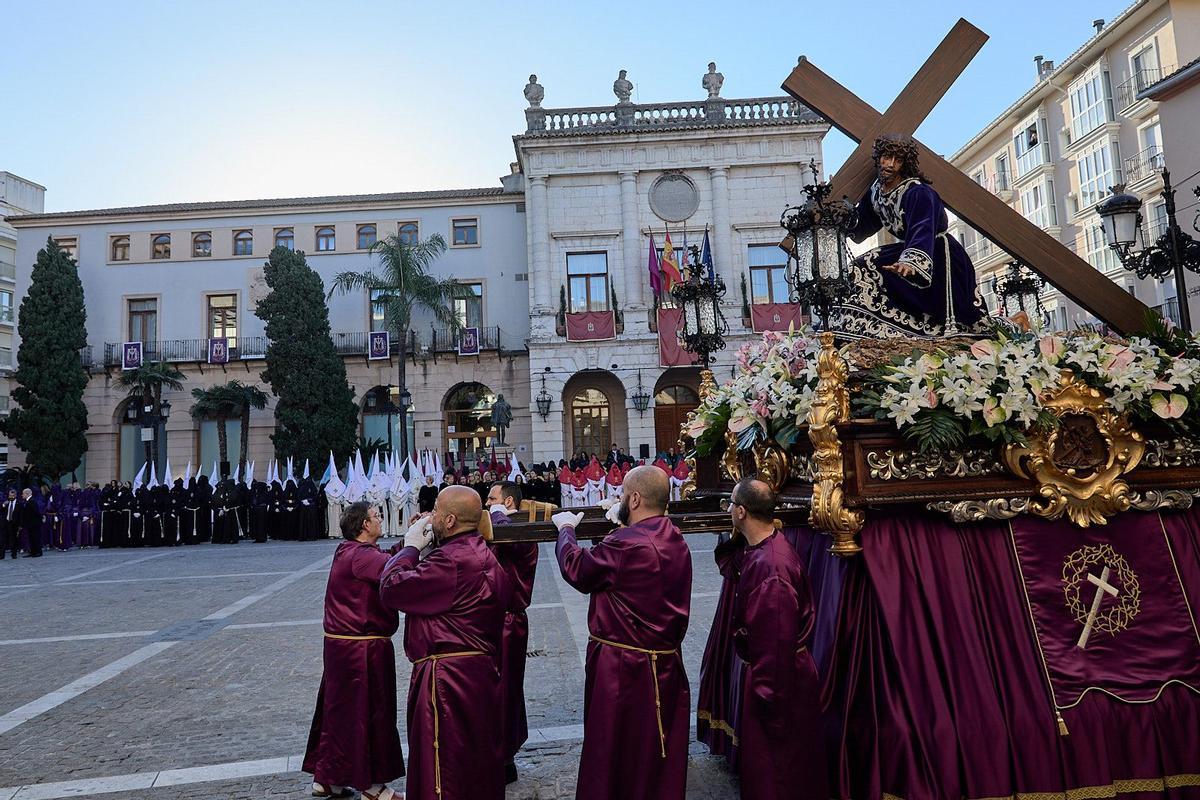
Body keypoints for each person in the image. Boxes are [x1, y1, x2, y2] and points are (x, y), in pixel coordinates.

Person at [552, 465, 692, 800]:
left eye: (624, 494)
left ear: (635, 498)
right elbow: (622, 572)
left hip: (623, 667)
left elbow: (578, 568)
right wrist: (620, 528)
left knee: (614, 746)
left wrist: (566, 530)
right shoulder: (674, 537)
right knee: (653, 746)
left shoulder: (625, 544)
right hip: (665, 662)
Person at [379, 486, 513, 800]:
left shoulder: (451, 561)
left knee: (443, 767)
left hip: (446, 679)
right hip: (481, 674)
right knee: (475, 763)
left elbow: (391, 587)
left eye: (437, 511)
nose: (432, 516)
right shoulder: (485, 556)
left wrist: (410, 549)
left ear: (450, 520)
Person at [725, 478, 828, 799]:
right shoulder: (765, 548)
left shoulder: (771, 568)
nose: (727, 510)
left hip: (779, 685)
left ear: (741, 512)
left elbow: (775, 641)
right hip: (779, 677)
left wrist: (766, 696)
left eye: (731, 504)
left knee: (777, 771)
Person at [303, 501, 406, 800]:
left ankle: (328, 779)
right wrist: (414, 545)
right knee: (369, 713)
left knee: (339, 713)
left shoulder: (348, 550)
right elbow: (393, 568)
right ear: (364, 525)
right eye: (376, 515)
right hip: (362, 649)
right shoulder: (361, 556)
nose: (380, 519)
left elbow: (385, 557)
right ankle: (372, 786)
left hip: (343, 647)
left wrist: (407, 541)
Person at [839, 133, 988, 339]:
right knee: (860, 269)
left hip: (935, 256)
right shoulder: (876, 192)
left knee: (962, 320)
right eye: (886, 157)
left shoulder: (917, 192)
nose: (890, 164)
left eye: (897, 160)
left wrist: (910, 263)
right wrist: (839, 221)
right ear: (878, 157)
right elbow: (862, 226)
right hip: (905, 253)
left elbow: (922, 228)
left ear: (905, 164)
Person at [486, 480, 539, 783]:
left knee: (505, 689)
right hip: (490, 621)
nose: (486, 503)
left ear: (507, 502)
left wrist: (498, 516)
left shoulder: (520, 528)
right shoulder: (494, 523)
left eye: (491, 499)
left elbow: (511, 542)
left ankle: (504, 757)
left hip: (508, 621)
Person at [19, 488, 43, 558]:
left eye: (23, 493)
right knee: (31, 538)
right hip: (30, 523)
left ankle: (38, 552)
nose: (22, 495)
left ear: (27, 494)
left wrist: (40, 519)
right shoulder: (28, 501)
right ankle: (33, 552)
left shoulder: (32, 501)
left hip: (34, 524)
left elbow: (36, 512)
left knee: (36, 538)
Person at [1, 488, 19, 559]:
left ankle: (14, 554)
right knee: (3, 540)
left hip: (13, 524)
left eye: (12, 496)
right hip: (5, 523)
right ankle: (1, 555)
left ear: (15, 495)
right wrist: (3, 505)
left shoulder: (18, 503)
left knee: (13, 539)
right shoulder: (5, 502)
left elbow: (20, 515)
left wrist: (20, 525)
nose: (11, 497)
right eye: (10, 496)